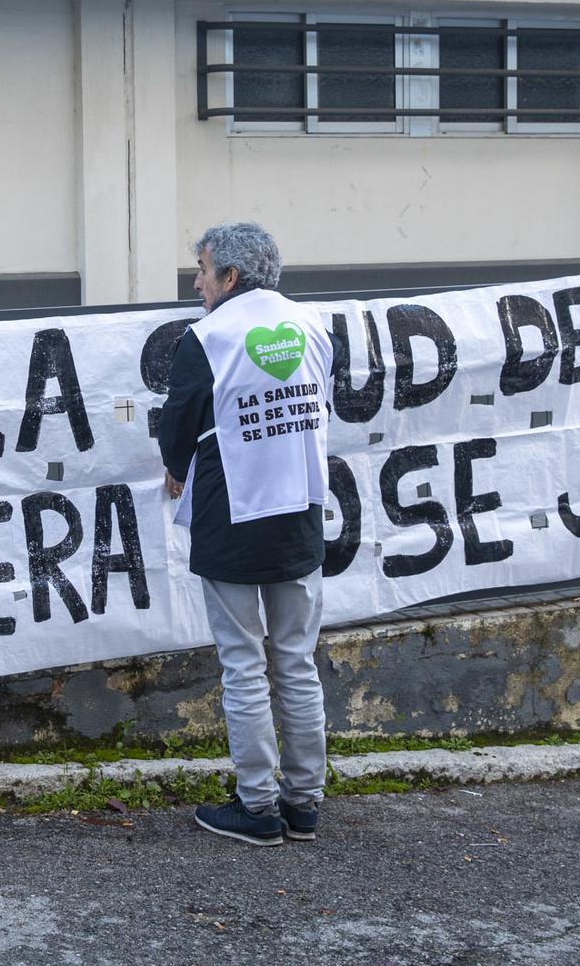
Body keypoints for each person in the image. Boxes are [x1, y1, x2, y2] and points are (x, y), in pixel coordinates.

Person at [159, 221, 335, 847]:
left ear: (230, 277)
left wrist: (177, 470)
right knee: (295, 660)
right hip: (300, 514)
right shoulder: (315, 325)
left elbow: (177, 424)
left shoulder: (204, 339)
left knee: (242, 663)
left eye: (203, 271)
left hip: (230, 513)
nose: (198, 284)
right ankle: (304, 803)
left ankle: (257, 806)